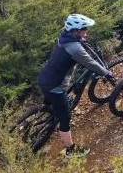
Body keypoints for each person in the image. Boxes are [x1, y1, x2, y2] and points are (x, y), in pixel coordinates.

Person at [38, 13, 114, 159]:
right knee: (65, 117)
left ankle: (49, 110)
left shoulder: (63, 37)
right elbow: (90, 63)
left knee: (56, 103)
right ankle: (70, 151)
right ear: (77, 31)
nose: (87, 31)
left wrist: (80, 39)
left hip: (44, 77)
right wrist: (106, 73)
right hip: (54, 86)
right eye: (85, 29)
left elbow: (75, 46)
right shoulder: (75, 48)